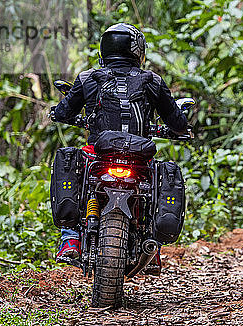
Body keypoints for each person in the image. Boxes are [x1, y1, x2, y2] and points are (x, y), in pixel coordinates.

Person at [51, 23, 188, 261]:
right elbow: (177, 122)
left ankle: (70, 239)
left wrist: (67, 113)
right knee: (154, 178)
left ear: (105, 48)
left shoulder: (88, 78)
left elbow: (62, 113)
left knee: (77, 166)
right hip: (140, 155)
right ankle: (151, 244)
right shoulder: (152, 80)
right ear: (137, 50)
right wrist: (179, 126)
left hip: (98, 152)